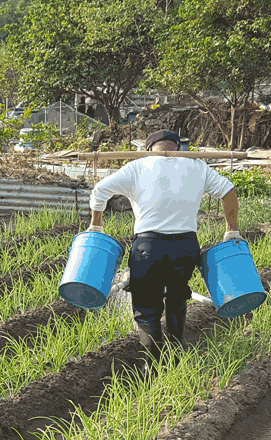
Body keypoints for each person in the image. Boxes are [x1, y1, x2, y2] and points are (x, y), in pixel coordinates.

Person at [86, 129, 240, 364]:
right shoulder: (196, 166)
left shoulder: (138, 166)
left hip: (149, 247)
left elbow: (99, 191)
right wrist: (232, 229)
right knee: (177, 295)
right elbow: (228, 191)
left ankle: (154, 365)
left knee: (147, 308)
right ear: (177, 148)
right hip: (186, 247)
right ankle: (176, 351)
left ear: (149, 149)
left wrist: (96, 225)